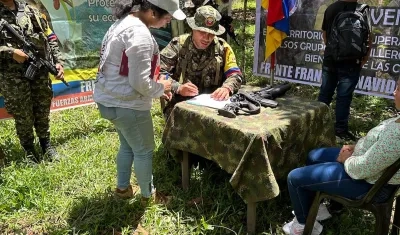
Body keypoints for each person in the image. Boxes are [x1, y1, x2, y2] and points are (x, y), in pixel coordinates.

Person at [93, 0, 185, 202]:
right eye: (167, 16)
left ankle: (123, 190)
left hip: (110, 99)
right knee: (144, 150)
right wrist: (162, 87)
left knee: (127, 146)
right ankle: (148, 196)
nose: (169, 20)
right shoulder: (140, 34)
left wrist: (156, 87)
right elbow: (140, 83)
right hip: (127, 104)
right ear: (152, 12)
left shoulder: (124, 22)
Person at [283, 78, 400, 235]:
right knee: (313, 156)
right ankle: (332, 208)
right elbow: (377, 144)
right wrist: (356, 146)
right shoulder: (397, 121)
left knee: (294, 178)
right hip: (369, 169)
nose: (394, 92)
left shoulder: (396, 135)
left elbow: (362, 169)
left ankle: (303, 226)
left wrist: (346, 160)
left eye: (399, 89)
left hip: (370, 185)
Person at [0, 0, 65, 161]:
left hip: (40, 70)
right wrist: (10, 51)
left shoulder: (30, 9)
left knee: (42, 109)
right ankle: (29, 150)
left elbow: (49, 36)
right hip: (12, 76)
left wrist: (58, 61)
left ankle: (46, 145)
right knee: (23, 113)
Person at [160, 5, 243, 118]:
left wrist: (227, 88)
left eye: (211, 33)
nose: (206, 38)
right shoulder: (177, 45)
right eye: (202, 32)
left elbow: (235, 74)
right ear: (193, 28)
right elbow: (158, 73)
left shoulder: (223, 47)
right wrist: (178, 88)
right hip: (181, 107)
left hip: (214, 107)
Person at [317, 0, 372, 141]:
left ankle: (317, 126)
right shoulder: (362, 9)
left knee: (325, 93)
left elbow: (325, 35)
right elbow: (368, 36)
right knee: (344, 97)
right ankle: (340, 131)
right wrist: (365, 57)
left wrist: (333, 49)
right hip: (352, 61)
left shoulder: (331, 8)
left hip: (331, 59)